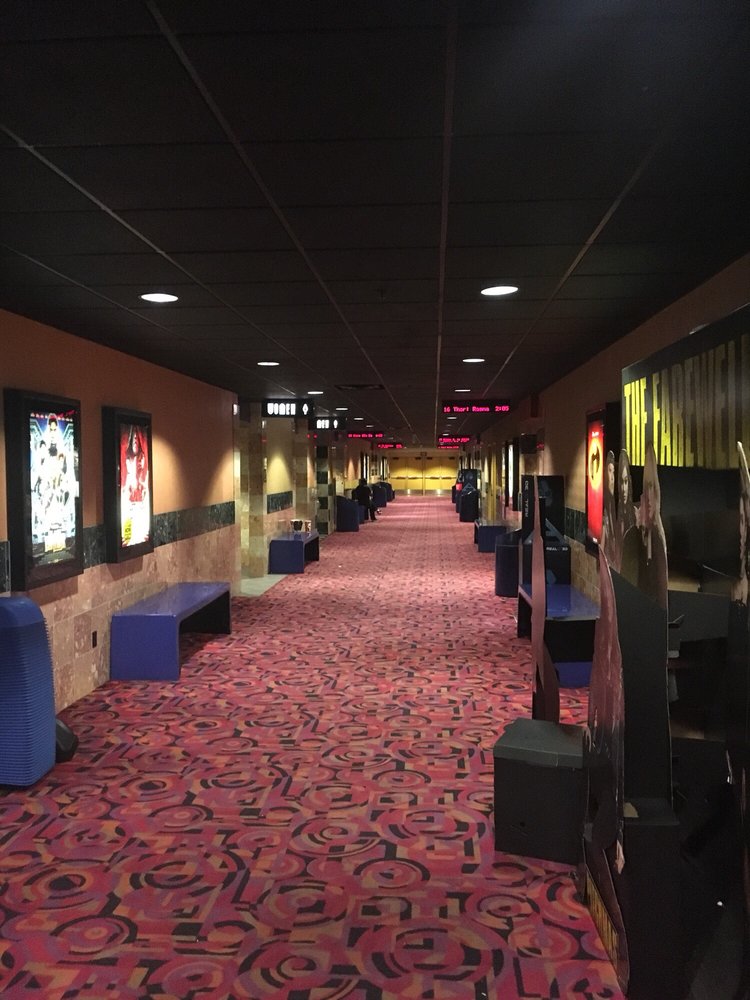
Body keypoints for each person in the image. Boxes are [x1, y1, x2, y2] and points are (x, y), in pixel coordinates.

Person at [620, 443, 668, 609]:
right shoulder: (636, 534)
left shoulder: (657, 538)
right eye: (645, 488)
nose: (647, 497)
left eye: (651, 487)